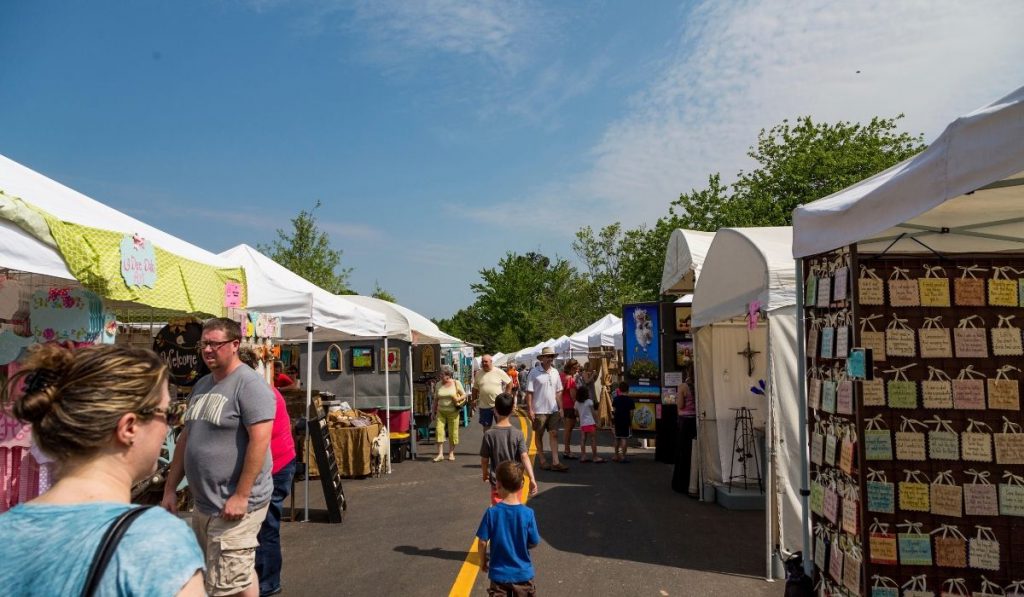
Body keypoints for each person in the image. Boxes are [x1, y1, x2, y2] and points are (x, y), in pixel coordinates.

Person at [0, 343, 205, 596]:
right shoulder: (155, 541)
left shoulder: (6, 532)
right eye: (169, 413)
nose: (169, 427)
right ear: (129, 427)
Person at [162, 317, 277, 597]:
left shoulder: (249, 385)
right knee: (233, 573)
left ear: (235, 344)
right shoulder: (202, 385)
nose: (207, 350)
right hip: (206, 504)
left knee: (222, 584)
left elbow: (260, 442)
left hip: (235, 504)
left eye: (215, 344)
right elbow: (186, 438)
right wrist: (169, 489)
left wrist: (241, 495)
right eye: (204, 344)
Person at [237, 348, 297, 597]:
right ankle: (260, 580)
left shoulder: (261, 394)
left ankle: (268, 582)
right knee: (261, 526)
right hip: (273, 465)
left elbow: (259, 437)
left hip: (276, 466)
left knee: (266, 527)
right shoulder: (254, 391)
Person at [476, 461, 541, 597]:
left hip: (499, 576)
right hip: (523, 574)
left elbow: (482, 542)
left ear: (498, 485)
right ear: (521, 485)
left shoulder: (492, 513)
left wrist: (483, 561)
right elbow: (534, 541)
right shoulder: (528, 513)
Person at [480, 393, 538, 505]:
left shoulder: (489, 434)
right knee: (514, 511)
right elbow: (524, 456)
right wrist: (532, 478)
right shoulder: (518, 434)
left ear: (495, 410)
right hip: (515, 481)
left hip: (498, 482)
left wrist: (484, 473)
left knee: (499, 513)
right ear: (512, 410)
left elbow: (484, 460)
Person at [525, 347, 566, 472]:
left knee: (554, 434)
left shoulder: (555, 372)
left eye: (551, 356)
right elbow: (529, 392)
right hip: (539, 410)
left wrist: (561, 408)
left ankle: (555, 461)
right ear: (542, 358)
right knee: (539, 434)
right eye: (547, 356)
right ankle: (542, 459)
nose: (550, 359)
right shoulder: (534, 372)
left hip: (553, 409)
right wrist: (530, 409)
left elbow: (559, 392)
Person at [432, 365, 466, 462]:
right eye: (440, 374)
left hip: (453, 412)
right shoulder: (438, 384)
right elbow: (435, 399)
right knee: (439, 431)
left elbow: (464, 395)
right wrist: (433, 411)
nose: (440, 376)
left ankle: (451, 453)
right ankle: (440, 454)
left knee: (453, 432)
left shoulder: (456, 383)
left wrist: (457, 399)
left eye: (442, 374)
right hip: (440, 411)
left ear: (448, 375)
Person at [473, 354, 512, 432]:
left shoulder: (498, 371)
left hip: (498, 405)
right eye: (482, 362)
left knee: (501, 426)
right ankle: (489, 442)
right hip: (484, 406)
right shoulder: (478, 373)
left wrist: (507, 395)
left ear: (491, 362)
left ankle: (500, 442)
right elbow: (475, 388)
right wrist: (473, 400)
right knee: (486, 427)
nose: (484, 364)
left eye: (486, 362)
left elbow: (510, 383)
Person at [672, 375, 697, 496]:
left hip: (685, 421)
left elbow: (681, 405)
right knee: (693, 452)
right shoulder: (699, 385)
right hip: (695, 421)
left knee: (683, 452)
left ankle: (681, 483)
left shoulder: (683, 387)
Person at [575, 382, 605, 463]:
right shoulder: (589, 401)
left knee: (582, 440)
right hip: (590, 423)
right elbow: (593, 413)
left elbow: (576, 413)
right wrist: (597, 421)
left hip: (582, 424)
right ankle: (595, 457)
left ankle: (583, 456)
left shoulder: (577, 403)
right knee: (593, 440)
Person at [558, 359, 580, 461]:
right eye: (575, 369)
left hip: (563, 405)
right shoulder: (570, 379)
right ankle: (567, 451)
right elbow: (573, 397)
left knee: (567, 429)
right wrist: (577, 410)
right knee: (569, 430)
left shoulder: (561, 376)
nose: (577, 370)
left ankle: (567, 450)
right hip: (570, 406)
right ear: (571, 368)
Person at [612, 381, 635, 463]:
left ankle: (615, 455)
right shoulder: (630, 400)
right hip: (626, 420)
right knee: (624, 438)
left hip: (617, 420)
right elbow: (631, 413)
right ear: (628, 390)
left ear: (619, 389)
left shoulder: (616, 399)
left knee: (617, 437)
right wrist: (630, 421)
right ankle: (623, 456)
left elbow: (614, 411)